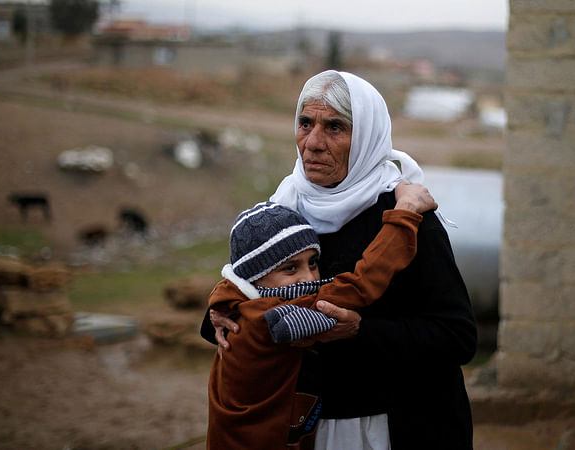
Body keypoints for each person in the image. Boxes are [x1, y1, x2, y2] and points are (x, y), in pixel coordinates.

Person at [202, 70, 477, 449]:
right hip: (308, 428)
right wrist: (218, 314)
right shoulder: (285, 208)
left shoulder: (407, 217)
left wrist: (361, 332)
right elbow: (248, 284)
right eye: (305, 123)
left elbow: (458, 338)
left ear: (366, 137)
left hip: (397, 425)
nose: (312, 143)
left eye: (334, 127)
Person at [207, 183, 435, 450]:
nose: (309, 277)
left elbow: (232, 281)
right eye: (290, 268)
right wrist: (405, 212)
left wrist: (219, 300)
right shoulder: (276, 320)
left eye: (313, 262)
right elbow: (361, 285)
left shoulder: (240, 303)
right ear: (254, 279)